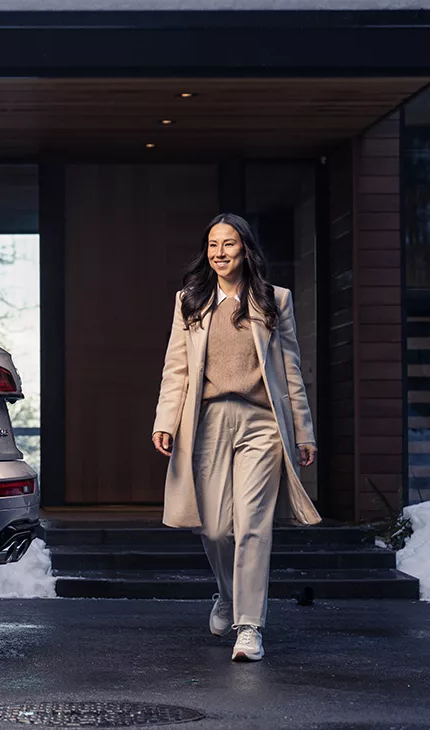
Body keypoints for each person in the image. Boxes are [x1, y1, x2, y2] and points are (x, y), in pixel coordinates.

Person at [152, 212, 320, 662]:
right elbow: (177, 369)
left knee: (252, 526)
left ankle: (249, 627)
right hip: (206, 421)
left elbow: (290, 371)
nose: (220, 253)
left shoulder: (273, 300)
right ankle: (226, 595)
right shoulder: (190, 301)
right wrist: (164, 421)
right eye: (212, 246)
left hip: (262, 424)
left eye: (228, 244)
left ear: (246, 249)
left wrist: (303, 431)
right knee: (214, 528)